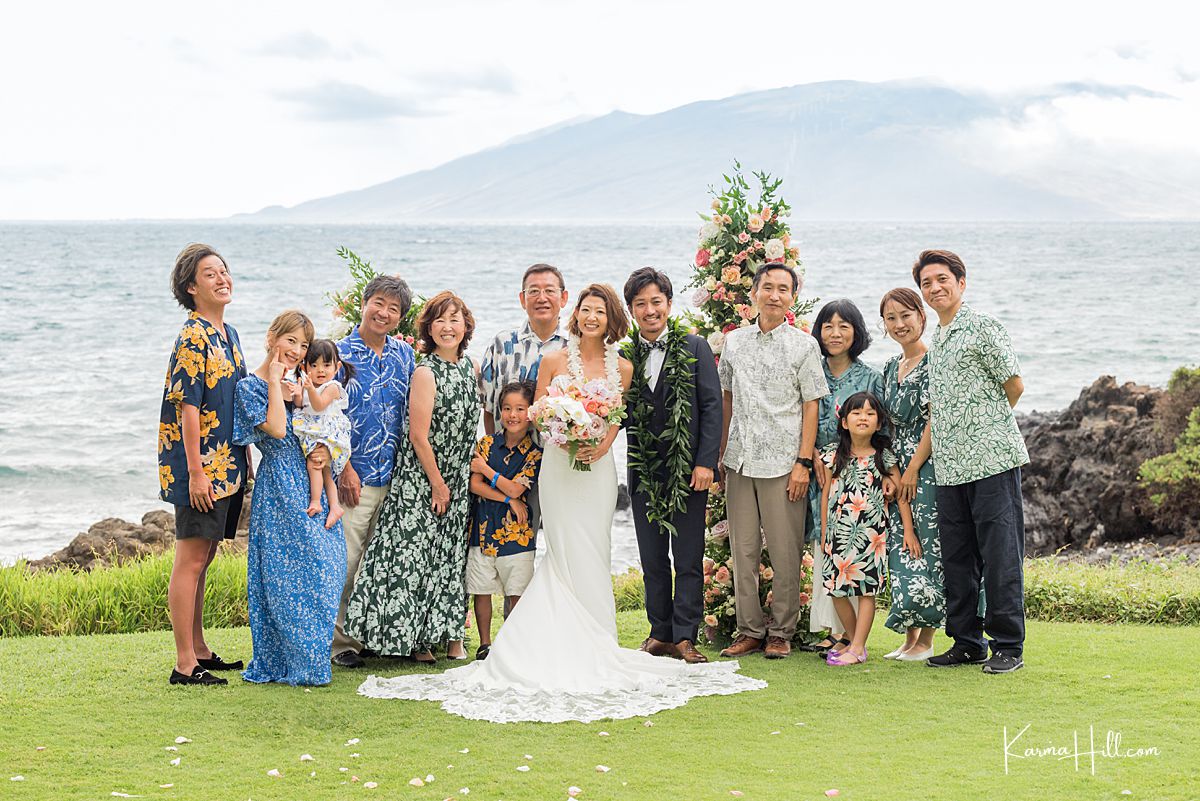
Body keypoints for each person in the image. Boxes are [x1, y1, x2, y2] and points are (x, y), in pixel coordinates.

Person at [357, 283, 765, 723]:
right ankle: (549, 639)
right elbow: (536, 414)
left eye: (600, 312)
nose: (592, 318)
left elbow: (616, 421)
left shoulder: (622, 367)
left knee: (594, 550)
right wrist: (563, 430)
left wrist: (597, 442)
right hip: (558, 466)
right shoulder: (553, 360)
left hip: (598, 470)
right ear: (577, 314)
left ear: (611, 319)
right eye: (586, 310)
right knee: (562, 551)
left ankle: (598, 640)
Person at [345, 291, 481, 662]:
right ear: (428, 327)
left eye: (455, 319)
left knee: (450, 560)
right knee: (410, 559)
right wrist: (437, 484)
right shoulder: (425, 370)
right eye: (440, 319)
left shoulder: (471, 368)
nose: (448, 326)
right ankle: (410, 640)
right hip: (422, 479)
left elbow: (473, 430)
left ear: (466, 325)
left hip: (456, 479)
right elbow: (418, 436)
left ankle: (451, 635)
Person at [915, 250, 1029, 675]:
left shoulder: (983, 327)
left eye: (942, 279)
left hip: (993, 460)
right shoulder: (938, 339)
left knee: (1001, 557)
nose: (934, 288)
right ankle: (966, 642)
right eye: (927, 283)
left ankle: (1008, 646)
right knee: (958, 560)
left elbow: (1013, 386)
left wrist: (984, 427)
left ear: (961, 283)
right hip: (950, 467)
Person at [717, 263, 829, 661]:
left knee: (785, 552)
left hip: (784, 463)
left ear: (792, 298)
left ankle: (781, 632)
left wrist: (802, 461)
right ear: (754, 294)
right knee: (743, 551)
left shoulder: (804, 345)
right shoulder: (734, 343)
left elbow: (811, 406)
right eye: (767, 287)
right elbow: (727, 398)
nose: (774, 295)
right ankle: (749, 630)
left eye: (783, 289)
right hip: (740, 460)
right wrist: (720, 452)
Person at [232, 310, 347, 686]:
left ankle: (312, 657)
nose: (297, 350)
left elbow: (329, 421)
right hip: (280, 484)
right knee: (281, 576)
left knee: (325, 564)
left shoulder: (303, 381)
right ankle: (286, 661)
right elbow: (279, 430)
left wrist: (332, 455)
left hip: (313, 474)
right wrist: (275, 387)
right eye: (290, 341)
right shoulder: (250, 387)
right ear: (272, 337)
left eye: (302, 343)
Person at [620, 267, 722, 664]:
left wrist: (705, 462)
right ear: (631, 310)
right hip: (643, 468)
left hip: (688, 471)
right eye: (641, 304)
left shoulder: (695, 347)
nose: (649, 310)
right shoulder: (624, 355)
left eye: (656, 302)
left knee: (688, 555)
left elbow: (711, 407)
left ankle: (685, 636)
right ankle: (659, 632)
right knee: (651, 557)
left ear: (669, 304)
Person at [159, 243, 248, 686]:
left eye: (224, 270)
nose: (222, 278)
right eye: (210, 274)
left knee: (207, 555)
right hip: (202, 469)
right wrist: (196, 471)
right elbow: (187, 407)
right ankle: (183, 664)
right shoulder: (194, 334)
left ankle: (199, 649)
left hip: (228, 465)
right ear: (191, 287)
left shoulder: (227, 334)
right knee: (190, 558)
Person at [331, 275, 417, 669]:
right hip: (354, 479)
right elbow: (327, 418)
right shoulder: (338, 355)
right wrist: (345, 467)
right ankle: (339, 644)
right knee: (346, 561)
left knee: (379, 561)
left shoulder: (403, 355)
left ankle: (370, 634)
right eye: (378, 303)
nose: (384, 313)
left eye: (394, 308)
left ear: (400, 318)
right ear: (364, 303)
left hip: (395, 477)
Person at [806, 299, 883, 658]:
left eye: (844, 326)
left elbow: (880, 430)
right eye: (828, 326)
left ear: (857, 332)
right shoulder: (810, 369)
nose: (835, 334)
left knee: (854, 551)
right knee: (825, 546)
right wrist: (809, 459)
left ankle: (849, 638)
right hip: (815, 471)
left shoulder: (870, 377)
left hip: (855, 476)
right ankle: (833, 629)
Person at [819, 392, 915, 666]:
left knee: (865, 592)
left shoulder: (883, 457)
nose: (863, 417)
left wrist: (908, 531)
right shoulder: (833, 456)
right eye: (857, 413)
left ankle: (858, 648)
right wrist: (826, 532)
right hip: (838, 535)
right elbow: (826, 495)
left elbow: (900, 497)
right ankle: (853, 641)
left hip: (870, 537)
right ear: (845, 422)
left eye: (870, 413)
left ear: (879, 422)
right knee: (835, 590)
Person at [878, 288, 946, 661]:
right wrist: (892, 470)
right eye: (892, 318)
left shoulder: (935, 362)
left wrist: (914, 468)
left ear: (922, 316)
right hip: (897, 465)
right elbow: (884, 426)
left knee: (929, 546)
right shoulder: (890, 368)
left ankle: (928, 639)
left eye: (906, 315)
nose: (900, 324)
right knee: (903, 547)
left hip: (927, 466)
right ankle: (909, 636)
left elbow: (935, 421)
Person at [466, 380, 542, 661]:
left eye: (520, 409)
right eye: (507, 408)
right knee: (481, 589)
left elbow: (518, 489)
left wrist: (488, 472)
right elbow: (475, 485)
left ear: (530, 413)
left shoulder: (534, 454)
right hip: (483, 528)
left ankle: (511, 643)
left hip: (517, 535)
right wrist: (508, 499)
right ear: (499, 411)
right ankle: (485, 644)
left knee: (517, 591)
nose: (513, 415)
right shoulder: (486, 443)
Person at [479, 263, 570, 436]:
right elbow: (489, 409)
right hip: (507, 457)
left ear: (563, 298)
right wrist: (492, 452)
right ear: (522, 299)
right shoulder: (501, 345)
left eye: (550, 291)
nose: (542, 298)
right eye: (533, 291)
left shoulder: (575, 347)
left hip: (559, 457)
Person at [292, 339, 354, 530]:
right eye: (314, 365)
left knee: (315, 464)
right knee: (325, 470)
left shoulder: (332, 387)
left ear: (337, 367)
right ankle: (335, 506)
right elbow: (300, 405)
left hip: (328, 431)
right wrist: (296, 392)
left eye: (326, 365)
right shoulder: (307, 383)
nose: (320, 370)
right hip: (317, 431)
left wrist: (309, 389)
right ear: (304, 367)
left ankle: (316, 501)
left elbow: (318, 406)